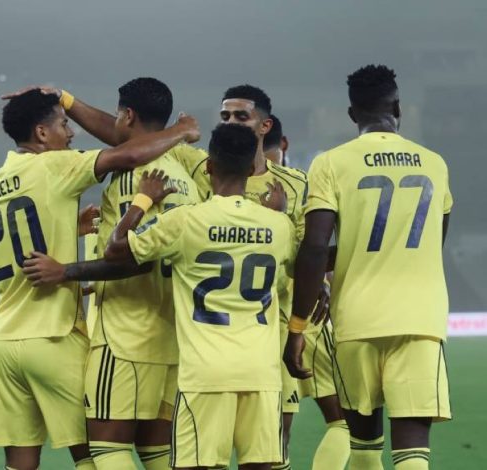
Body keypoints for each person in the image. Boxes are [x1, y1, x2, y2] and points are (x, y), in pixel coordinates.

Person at [0, 89, 199, 470]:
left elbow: (25, 234)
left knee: (19, 462)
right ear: (42, 133)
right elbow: (127, 154)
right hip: (54, 336)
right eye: (64, 125)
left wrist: (70, 227)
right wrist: (181, 131)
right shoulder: (55, 166)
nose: (71, 133)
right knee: (97, 453)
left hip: (4, 340)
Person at [284, 64, 453, 470]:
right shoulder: (435, 164)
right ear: (398, 108)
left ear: (351, 114)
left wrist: (298, 327)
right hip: (420, 318)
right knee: (413, 448)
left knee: (363, 444)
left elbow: (314, 248)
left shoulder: (331, 163)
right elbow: (435, 238)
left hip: (357, 319)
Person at [104, 123, 295, 469]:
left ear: (208, 166)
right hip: (261, 371)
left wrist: (143, 200)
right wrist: (276, 213)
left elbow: (115, 250)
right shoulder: (279, 225)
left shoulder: (184, 220)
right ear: (250, 170)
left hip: (206, 373)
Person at [266, 114, 350, 470]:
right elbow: (314, 247)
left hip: (260, 317)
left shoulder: (228, 185)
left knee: (274, 434)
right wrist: (322, 283)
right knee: (342, 420)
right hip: (304, 311)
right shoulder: (305, 184)